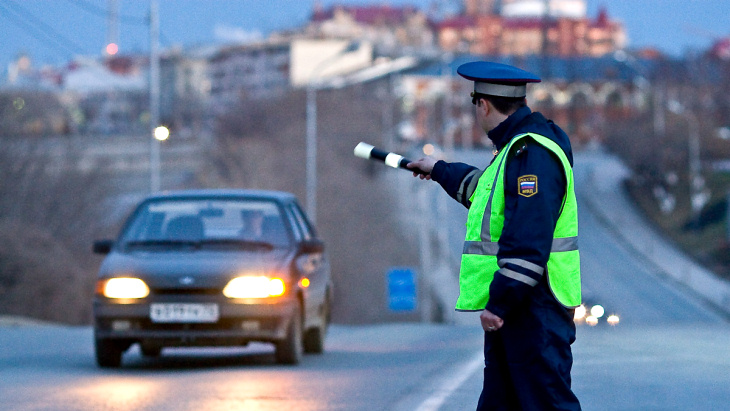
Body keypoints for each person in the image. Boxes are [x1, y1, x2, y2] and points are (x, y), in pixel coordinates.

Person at [408, 61, 582, 411]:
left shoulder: (532, 154)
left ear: (482, 105)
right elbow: (484, 194)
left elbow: (529, 241)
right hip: (522, 311)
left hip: (534, 309)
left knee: (545, 404)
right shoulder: (515, 151)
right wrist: (440, 170)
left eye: (475, 104)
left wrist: (499, 302)